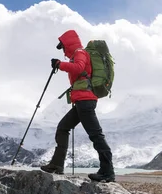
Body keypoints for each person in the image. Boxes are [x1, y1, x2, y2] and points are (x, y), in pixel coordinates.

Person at [40, 30, 115, 182]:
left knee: (95, 135)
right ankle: (57, 164)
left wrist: (60, 65)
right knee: (63, 128)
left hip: (85, 102)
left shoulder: (80, 53)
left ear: (68, 44)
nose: (63, 51)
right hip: (82, 101)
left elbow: (79, 68)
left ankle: (108, 171)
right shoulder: (78, 54)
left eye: (63, 47)